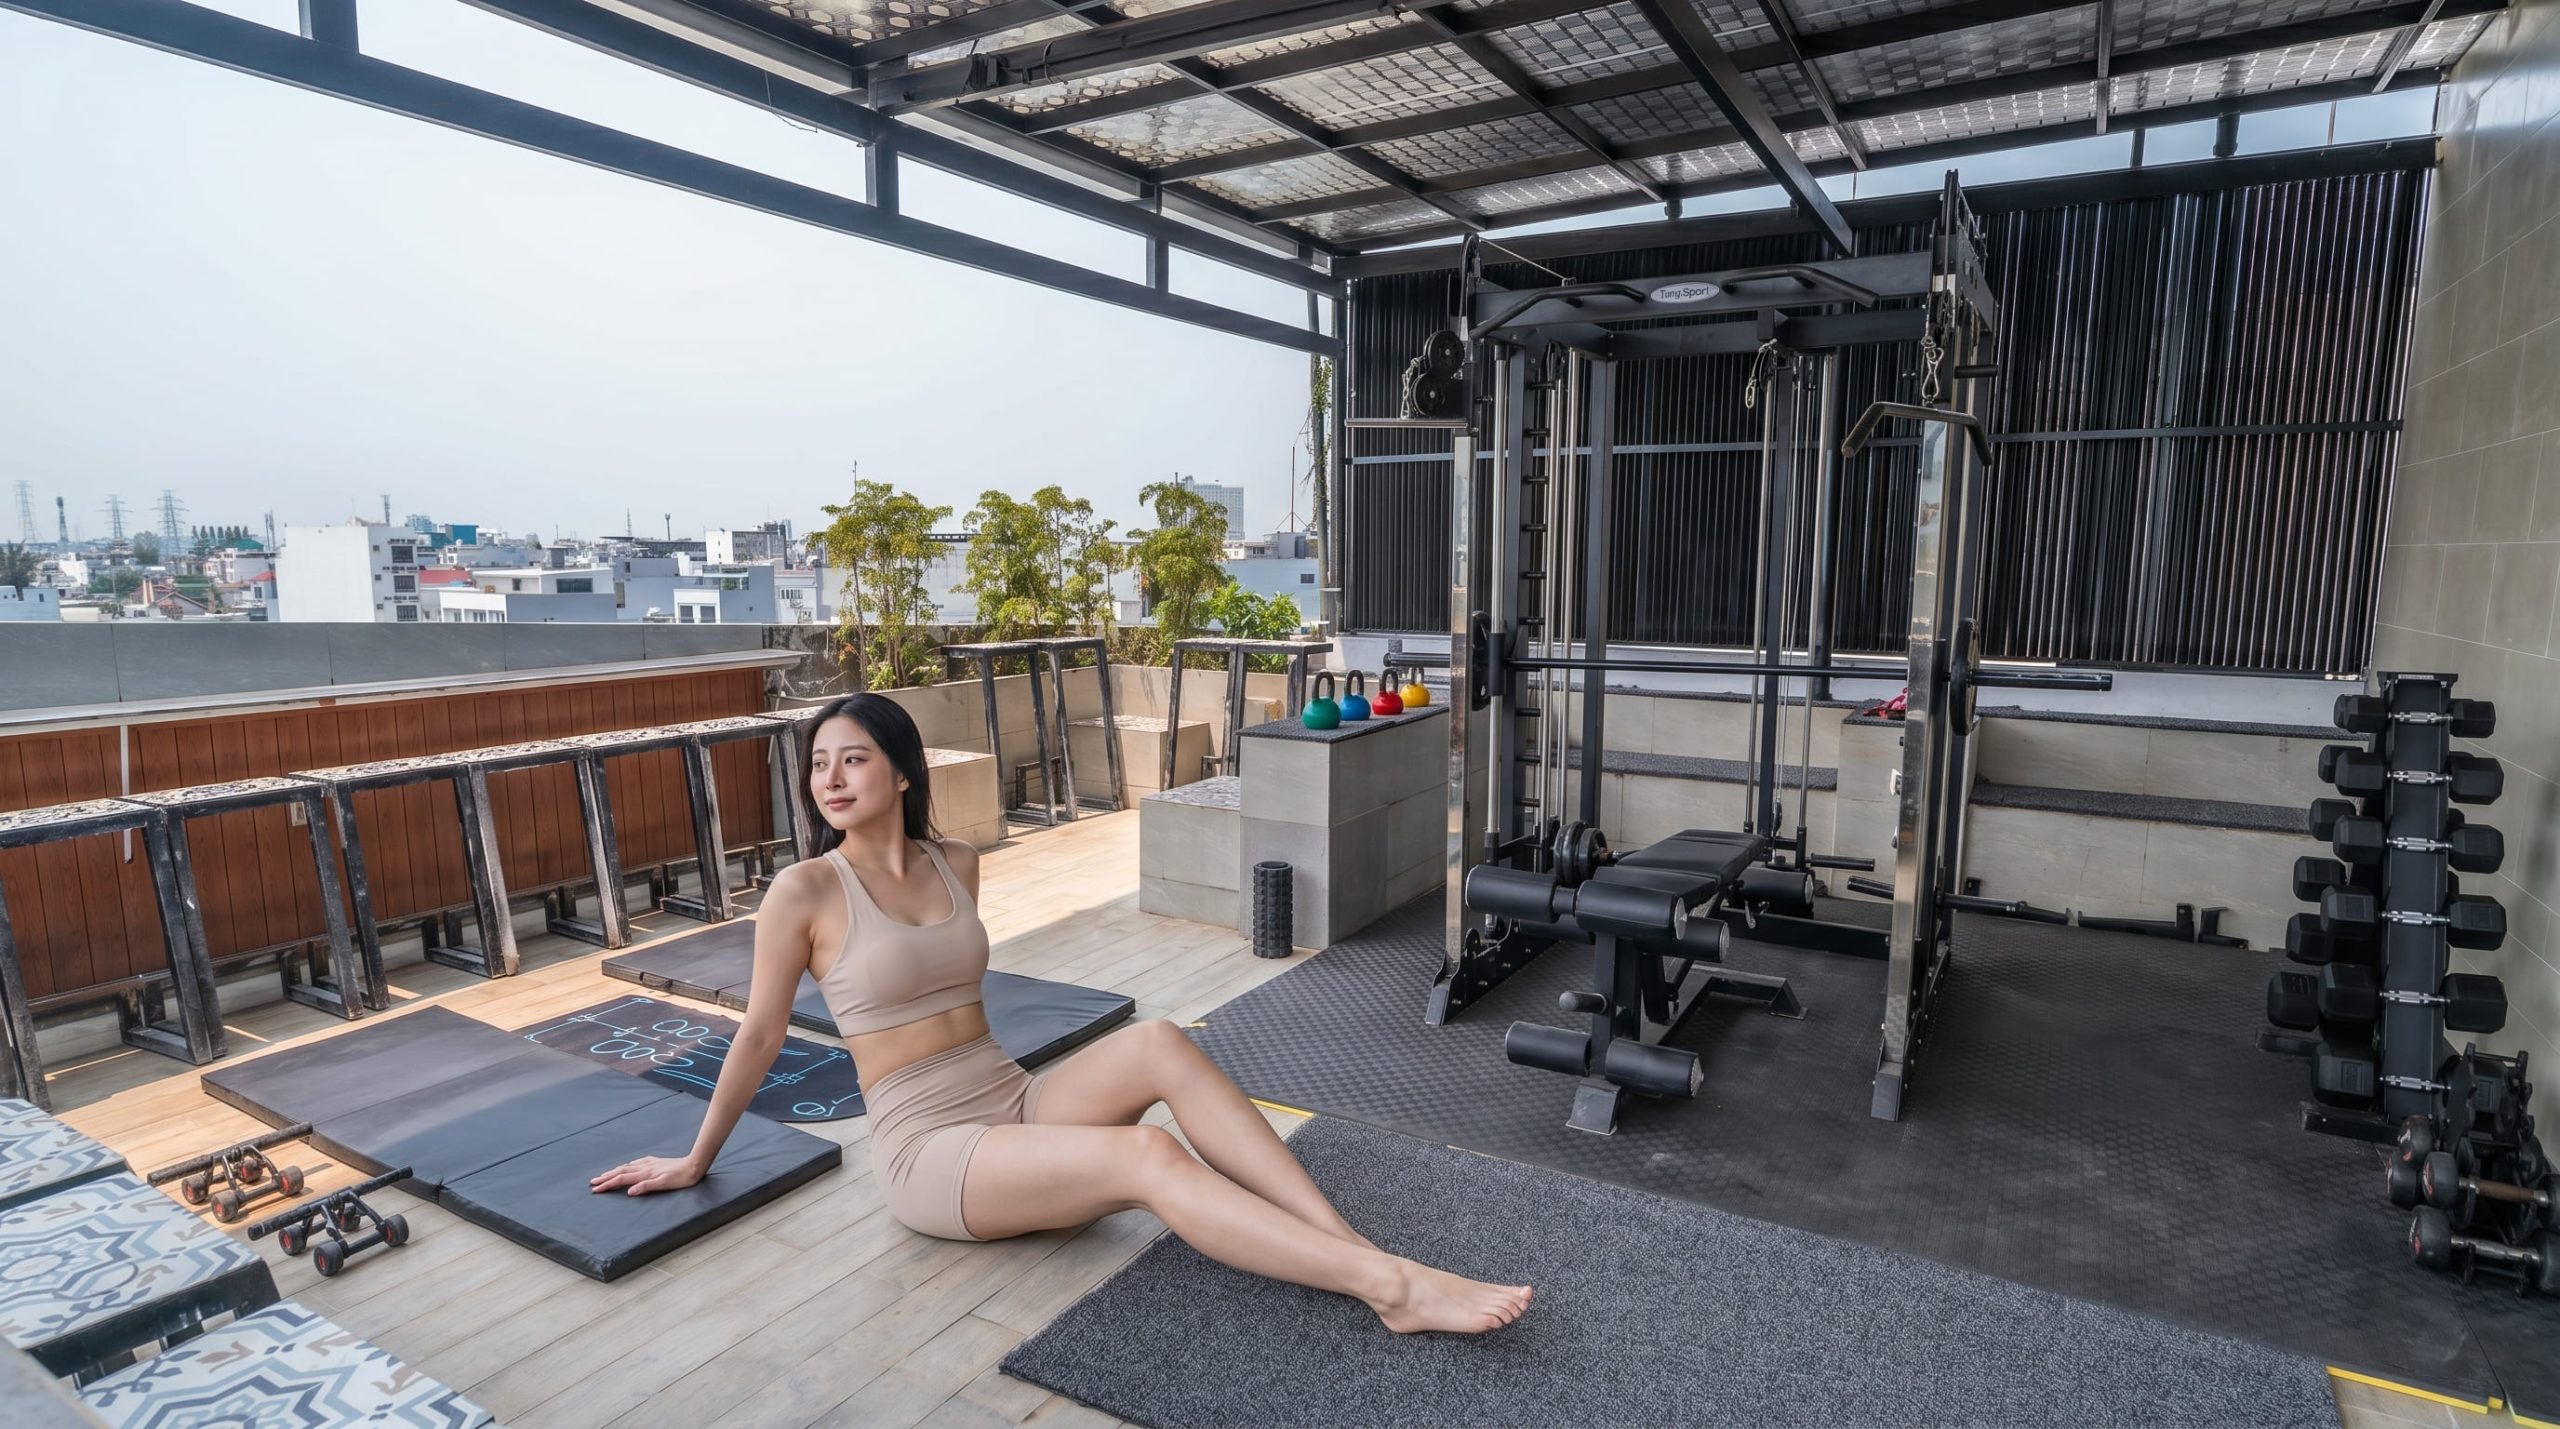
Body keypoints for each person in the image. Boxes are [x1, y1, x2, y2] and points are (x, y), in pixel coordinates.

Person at [590, 692, 1530, 1335]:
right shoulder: (805, 890)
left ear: (903, 771)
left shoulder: (956, 862)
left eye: (854, 759)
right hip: (933, 1149)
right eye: (819, 765)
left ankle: (1347, 1244)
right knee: (1147, 1155)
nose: (831, 779)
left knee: (1162, 1040)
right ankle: (1391, 1285)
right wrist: (695, 1158)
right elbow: (758, 1034)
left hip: (1014, 1097)